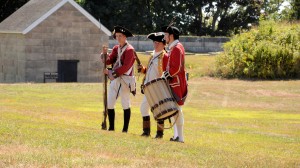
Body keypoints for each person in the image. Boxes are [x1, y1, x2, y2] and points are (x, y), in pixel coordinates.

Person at [102, 26, 136, 133]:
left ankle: (125, 129)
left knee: (125, 103)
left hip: (125, 79)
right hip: (115, 79)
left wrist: (111, 72)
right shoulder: (117, 48)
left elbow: (125, 67)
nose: (118, 38)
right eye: (116, 36)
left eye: (120, 36)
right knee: (110, 102)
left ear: (125, 37)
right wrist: (104, 55)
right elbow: (109, 61)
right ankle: (111, 128)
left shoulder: (130, 50)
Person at [161, 25, 188, 143]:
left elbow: (176, 68)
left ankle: (180, 137)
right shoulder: (174, 47)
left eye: (166, 35)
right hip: (173, 82)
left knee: (177, 109)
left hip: (176, 83)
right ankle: (176, 135)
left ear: (171, 36)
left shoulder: (177, 48)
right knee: (174, 110)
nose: (165, 37)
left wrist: (167, 74)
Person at [138, 32, 167, 138]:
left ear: (164, 44)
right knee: (143, 108)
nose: (155, 44)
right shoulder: (153, 55)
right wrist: (143, 69)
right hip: (149, 87)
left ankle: (159, 133)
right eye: (154, 42)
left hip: (158, 87)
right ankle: (146, 131)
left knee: (159, 110)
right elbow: (149, 71)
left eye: (158, 42)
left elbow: (163, 73)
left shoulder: (164, 56)